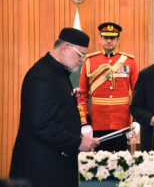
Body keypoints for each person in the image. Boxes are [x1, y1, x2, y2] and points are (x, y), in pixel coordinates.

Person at [9, 28, 100, 187]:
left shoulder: (58, 73)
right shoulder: (42, 75)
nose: (82, 60)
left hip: (54, 165)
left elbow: (59, 118)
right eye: (81, 55)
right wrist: (77, 142)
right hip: (41, 169)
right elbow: (40, 125)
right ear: (65, 48)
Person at [78, 22, 139, 151]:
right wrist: (85, 122)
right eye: (106, 37)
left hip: (122, 123)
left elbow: (137, 95)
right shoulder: (89, 61)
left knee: (122, 163)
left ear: (118, 40)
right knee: (98, 164)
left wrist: (135, 120)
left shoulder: (129, 61)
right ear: (100, 39)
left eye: (113, 38)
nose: (109, 41)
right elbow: (82, 95)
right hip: (97, 123)